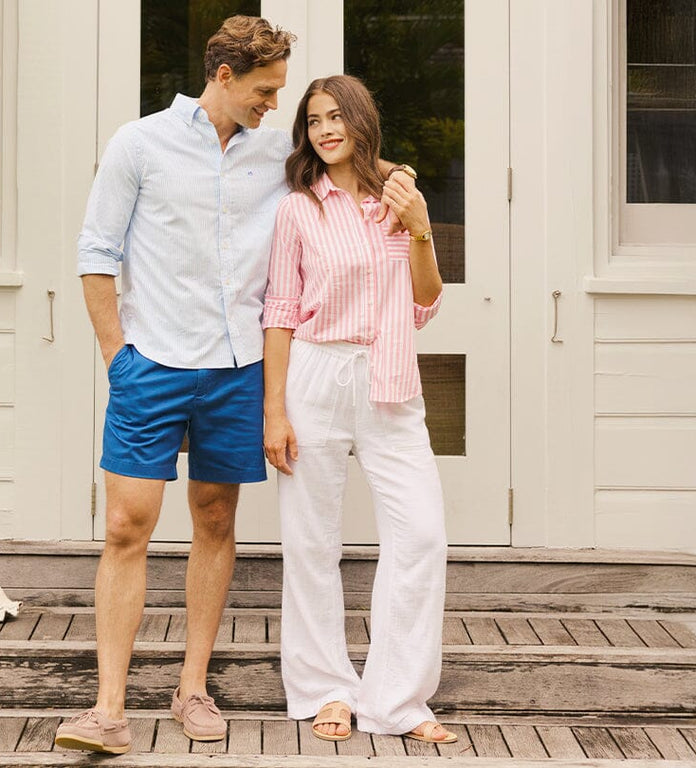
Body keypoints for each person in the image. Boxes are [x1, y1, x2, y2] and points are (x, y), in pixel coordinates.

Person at [54, 16, 296, 755]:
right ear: (224, 76)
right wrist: (116, 357)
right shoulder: (139, 144)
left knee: (216, 521)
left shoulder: (281, 154)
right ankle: (108, 709)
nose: (273, 105)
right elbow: (96, 252)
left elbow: (344, 192)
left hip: (237, 369)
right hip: (150, 364)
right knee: (127, 526)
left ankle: (192, 687)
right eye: (264, 90)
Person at [262, 74, 455, 745]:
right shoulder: (298, 209)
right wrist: (274, 412)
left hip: (391, 380)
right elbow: (280, 313)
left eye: (336, 116)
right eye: (313, 120)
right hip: (315, 375)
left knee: (423, 535)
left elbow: (425, 304)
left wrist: (422, 230)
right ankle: (326, 690)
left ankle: (396, 700)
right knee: (311, 541)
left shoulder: (399, 197)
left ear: (361, 120)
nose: (325, 129)